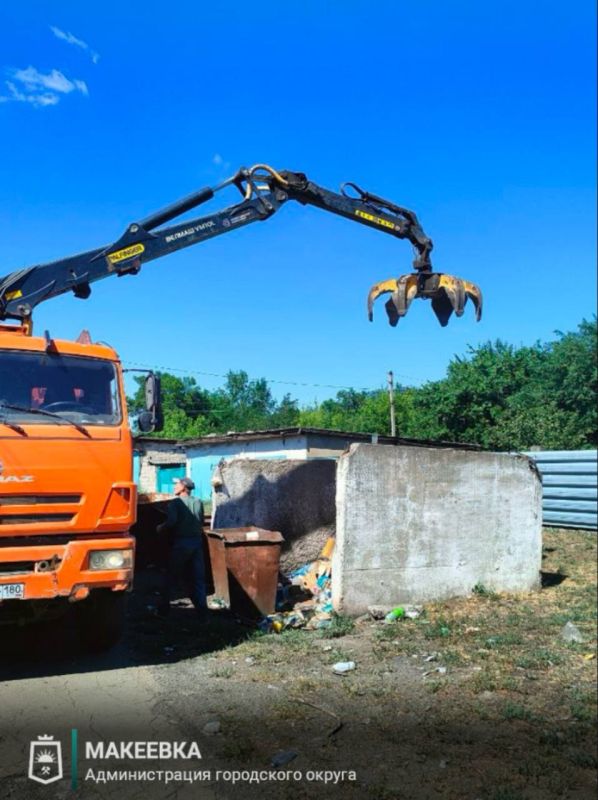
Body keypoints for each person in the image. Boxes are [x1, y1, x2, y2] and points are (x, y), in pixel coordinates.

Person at [156, 477, 208, 621]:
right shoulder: (198, 502)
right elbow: (201, 521)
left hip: (182, 543)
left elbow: (172, 522)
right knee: (198, 578)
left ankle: (163, 610)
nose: (174, 487)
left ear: (184, 488)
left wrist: (161, 528)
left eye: (177, 485)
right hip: (197, 542)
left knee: (171, 575)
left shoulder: (176, 503)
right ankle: (202, 611)